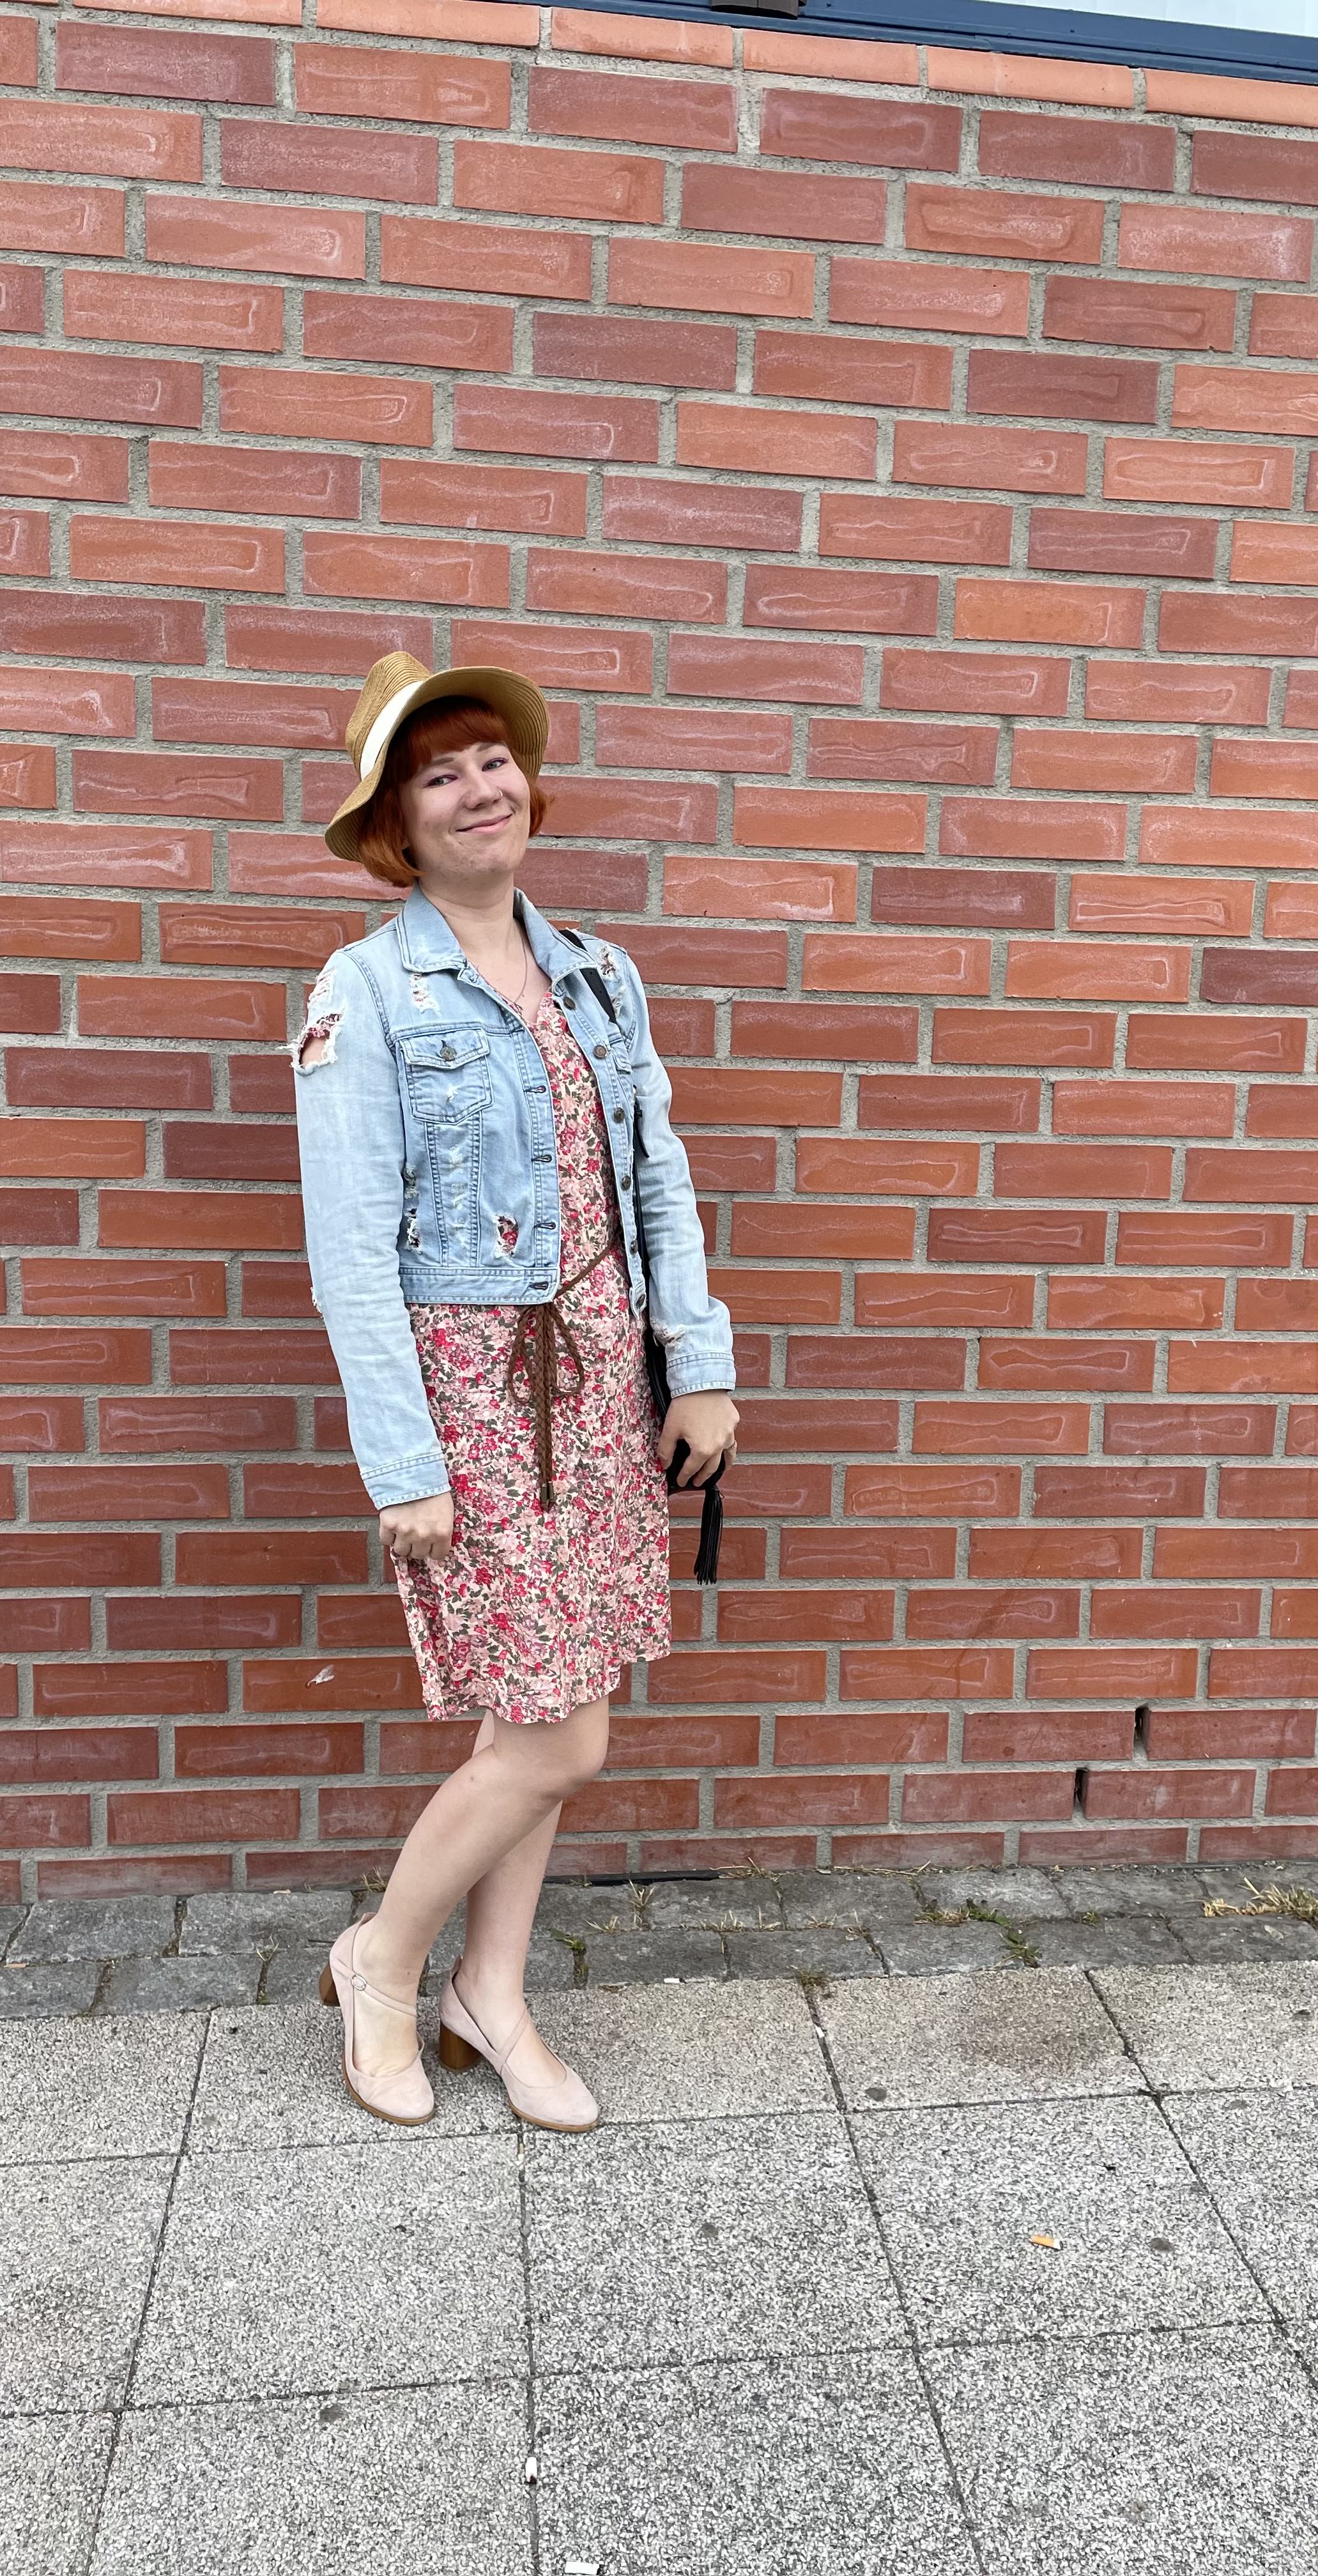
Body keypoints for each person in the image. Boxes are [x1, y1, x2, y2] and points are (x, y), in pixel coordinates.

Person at [291, 650, 737, 2133]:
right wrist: (403, 1461)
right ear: (396, 825)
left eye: (494, 762)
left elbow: (657, 1180)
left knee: (554, 1712)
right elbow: (350, 1251)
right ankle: (381, 1962)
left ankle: (493, 1990)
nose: (480, 790)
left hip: (602, 1378)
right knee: (559, 1732)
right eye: (440, 773)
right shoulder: (365, 991)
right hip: (473, 1400)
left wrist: (699, 1366)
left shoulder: (600, 972)